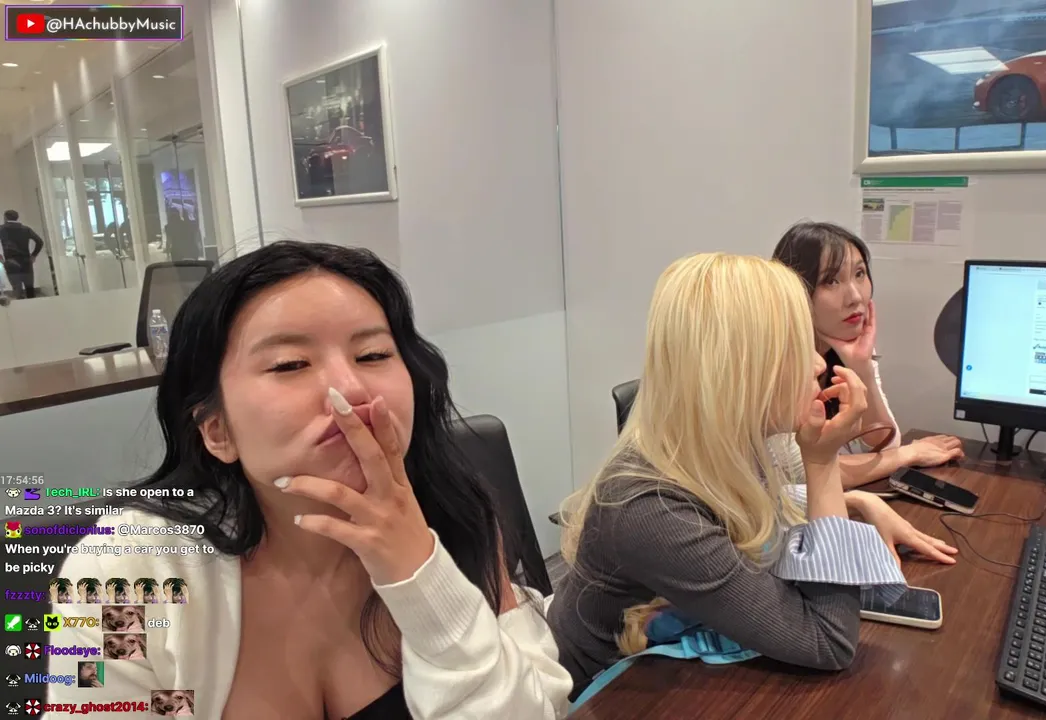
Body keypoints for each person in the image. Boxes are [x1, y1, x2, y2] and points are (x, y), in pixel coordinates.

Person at [50, 241, 571, 719]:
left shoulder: (454, 518)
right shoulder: (125, 571)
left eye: (373, 355)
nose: (350, 387)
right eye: (290, 364)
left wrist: (420, 574)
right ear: (217, 431)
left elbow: (537, 710)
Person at [550, 253, 954, 699]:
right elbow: (829, 641)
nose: (818, 365)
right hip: (610, 692)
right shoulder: (650, 509)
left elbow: (756, 510)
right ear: (739, 370)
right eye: (796, 348)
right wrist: (821, 463)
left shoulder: (729, 444)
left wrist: (860, 500)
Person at [773, 221, 964, 488]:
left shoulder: (847, 350)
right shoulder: (774, 361)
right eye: (831, 280)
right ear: (795, 291)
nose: (855, 296)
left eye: (860, 274)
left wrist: (861, 367)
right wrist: (909, 454)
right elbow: (802, 471)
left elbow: (883, 444)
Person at [0, 209, 44, 299]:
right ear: (17, 218)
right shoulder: (26, 229)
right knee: (30, 290)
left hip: (11, 263)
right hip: (26, 263)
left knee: (17, 290)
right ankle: (33, 305)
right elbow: (39, 241)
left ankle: (21, 305)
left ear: (5, 217)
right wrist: (34, 255)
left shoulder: (1, 229)